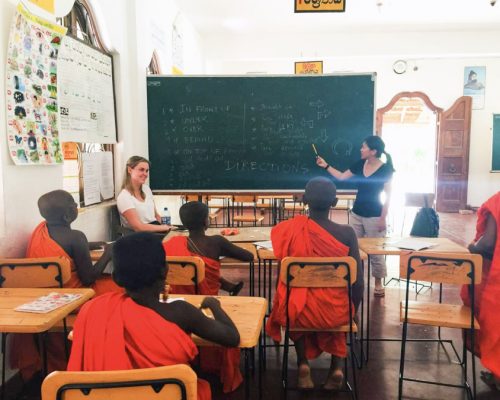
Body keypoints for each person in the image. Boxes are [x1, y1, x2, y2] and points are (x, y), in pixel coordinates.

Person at [68, 232, 241, 400]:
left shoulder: (93, 309)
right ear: (165, 270)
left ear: (116, 278)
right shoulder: (181, 312)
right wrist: (214, 305)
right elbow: (232, 338)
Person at [11, 190, 123, 381]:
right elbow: (89, 279)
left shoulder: (41, 232)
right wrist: (108, 253)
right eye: (73, 203)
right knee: (119, 288)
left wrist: (90, 244)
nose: (76, 206)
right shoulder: (76, 236)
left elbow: (64, 247)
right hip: (73, 298)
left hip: (44, 297)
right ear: (67, 215)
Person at [266, 177, 363, 390]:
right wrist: (353, 309)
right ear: (335, 202)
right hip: (336, 312)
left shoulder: (290, 230)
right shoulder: (347, 233)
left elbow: (283, 278)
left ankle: (302, 363)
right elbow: (358, 282)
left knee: (294, 301)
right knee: (339, 303)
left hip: (300, 312)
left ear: (304, 201)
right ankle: (336, 368)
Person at [163, 201, 254, 393]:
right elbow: (248, 257)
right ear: (206, 221)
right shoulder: (216, 243)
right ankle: (228, 287)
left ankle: (228, 286)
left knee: (197, 272)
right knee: (204, 275)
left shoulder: (171, 244)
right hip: (208, 304)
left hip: (181, 304)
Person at [316, 135, 394, 297]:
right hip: (357, 213)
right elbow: (341, 177)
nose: (361, 149)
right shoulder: (360, 164)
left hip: (375, 215)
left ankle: (378, 283)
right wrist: (326, 166)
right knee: (353, 249)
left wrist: (383, 218)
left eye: (364, 147)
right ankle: (354, 279)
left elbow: (388, 196)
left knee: (376, 252)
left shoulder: (386, 169)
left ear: (373, 151)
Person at [461, 192, 500, 390]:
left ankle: (498, 376)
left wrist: (472, 247)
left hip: (497, 279)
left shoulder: (498, 201)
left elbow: (488, 243)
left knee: (495, 327)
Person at [116, 156, 172, 233]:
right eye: (141, 170)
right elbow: (139, 227)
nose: (145, 174)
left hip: (156, 230)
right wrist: (164, 228)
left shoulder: (146, 189)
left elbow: (155, 215)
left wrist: (169, 227)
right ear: (129, 170)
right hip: (141, 236)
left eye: (147, 171)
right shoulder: (124, 197)